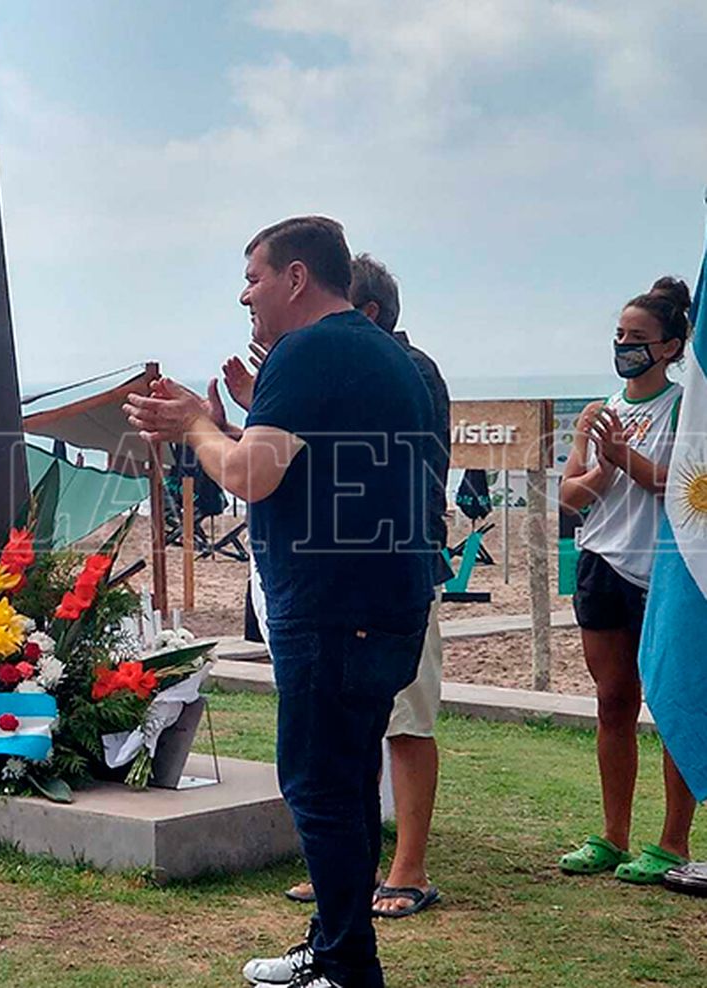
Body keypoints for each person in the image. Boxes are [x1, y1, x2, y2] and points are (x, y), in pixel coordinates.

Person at [125, 217, 436, 988]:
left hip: (333, 608)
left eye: (255, 277)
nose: (245, 294)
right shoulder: (379, 353)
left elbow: (249, 478)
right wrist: (219, 426)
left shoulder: (307, 349)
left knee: (317, 783)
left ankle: (347, 968)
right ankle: (333, 944)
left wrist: (197, 426)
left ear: (297, 278)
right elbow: (302, 460)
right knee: (350, 776)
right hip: (384, 603)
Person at [256, 255, 450, 919]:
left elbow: (299, 471)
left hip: (382, 582)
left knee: (403, 723)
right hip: (350, 586)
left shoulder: (402, 368)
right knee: (349, 746)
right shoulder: (342, 365)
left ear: (361, 313)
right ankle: (345, 883)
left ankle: (407, 869)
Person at [557, 277, 697, 883]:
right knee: (613, 702)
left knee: (669, 702)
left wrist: (626, 461)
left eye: (638, 337)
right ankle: (613, 835)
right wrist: (602, 474)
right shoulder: (600, 411)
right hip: (601, 564)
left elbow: (685, 487)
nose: (624, 346)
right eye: (619, 335)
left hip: (665, 567)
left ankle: (672, 840)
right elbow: (569, 492)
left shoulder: (688, 408)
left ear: (670, 346)